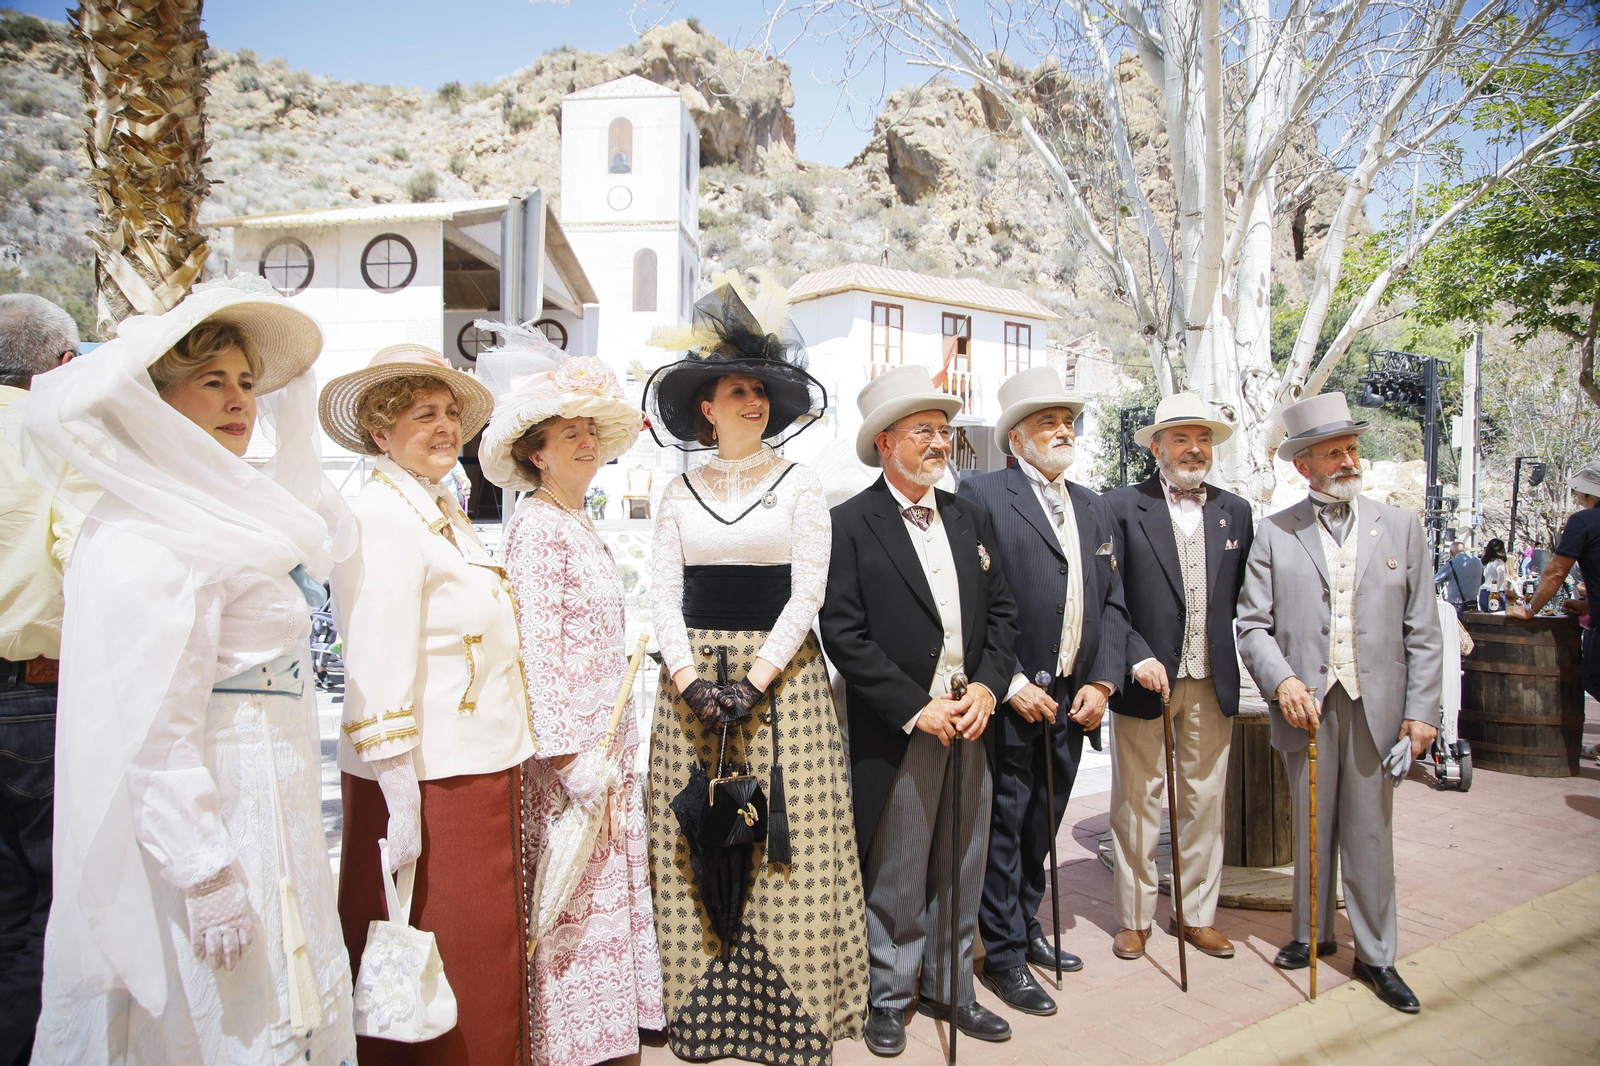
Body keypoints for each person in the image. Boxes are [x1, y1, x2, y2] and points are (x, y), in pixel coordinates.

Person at [21, 279, 357, 1063]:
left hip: (273, 796)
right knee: (221, 1017)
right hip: (220, 810)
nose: (239, 400)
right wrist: (204, 871)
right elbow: (148, 729)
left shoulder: (226, 511)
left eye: (246, 382)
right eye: (212, 382)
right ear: (156, 399)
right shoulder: (151, 528)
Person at [645, 279, 867, 1066]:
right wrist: (690, 680)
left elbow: (808, 589)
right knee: (699, 838)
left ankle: (795, 1020)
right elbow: (661, 591)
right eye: (736, 390)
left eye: (760, 391)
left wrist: (752, 681)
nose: (752, 402)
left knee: (785, 844)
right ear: (705, 406)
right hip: (690, 693)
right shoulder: (673, 488)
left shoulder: (800, 483)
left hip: (783, 690)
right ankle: (703, 1019)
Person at [320, 344, 533, 1064]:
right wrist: (398, 791)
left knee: (478, 951)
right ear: (381, 433)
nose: (446, 427)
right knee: (438, 955)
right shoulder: (381, 515)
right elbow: (374, 659)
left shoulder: (437, 507)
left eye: (450, 413)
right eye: (423, 415)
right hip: (424, 778)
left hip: (472, 764)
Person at [475, 325, 665, 1066]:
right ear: (536, 453)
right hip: (573, 760)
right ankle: (568, 1040)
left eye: (591, 430)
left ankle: (607, 1031)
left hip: (606, 744)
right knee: (569, 894)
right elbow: (536, 656)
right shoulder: (536, 530)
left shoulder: (578, 523)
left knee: (601, 889)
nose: (586, 442)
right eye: (568, 432)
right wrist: (568, 758)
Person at [821, 363, 1020, 1055]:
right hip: (901, 726)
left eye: (943, 431)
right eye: (924, 432)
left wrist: (991, 688)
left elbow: (1003, 615)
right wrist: (915, 707)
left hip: (972, 720)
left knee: (963, 859)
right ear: (885, 442)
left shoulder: (971, 516)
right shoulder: (848, 523)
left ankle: (952, 986)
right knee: (900, 867)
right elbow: (842, 633)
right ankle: (888, 994)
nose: (941, 443)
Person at [1237, 392, 1443, 1015]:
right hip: (1306, 705)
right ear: (1305, 465)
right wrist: (1283, 683)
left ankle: (1377, 955)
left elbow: (1423, 628)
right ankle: (1313, 932)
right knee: (1311, 822)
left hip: (1375, 704)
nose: (1350, 460)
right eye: (1335, 452)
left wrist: (1424, 710)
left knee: (1370, 832)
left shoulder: (1401, 526)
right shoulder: (1274, 532)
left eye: (1353, 448)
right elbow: (1251, 625)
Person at [953, 367, 1127, 1016]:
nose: (1063, 430)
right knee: (1005, 826)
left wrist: (1104, 681)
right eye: (1048, 421)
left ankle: (1026, 929)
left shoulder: (1092, 504)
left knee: (1042, 827)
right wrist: (1012, 681)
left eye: (1068, 420)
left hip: (1075, 702)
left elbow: (1114, 604)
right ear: (1016, 437)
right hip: (1014, 697)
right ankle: (999, 959)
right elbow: (971, 604)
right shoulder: (982, 494)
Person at [1103, 392, 1253, 964]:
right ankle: (1136, 917)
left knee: (1204, 801)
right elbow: (1110, 597)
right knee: (1137, 800)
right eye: (1182, 439)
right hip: (1146, 680)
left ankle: (1196, 916)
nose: (1195, 450)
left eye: (1204, 440)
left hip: (1212, 678)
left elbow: (1247, 599)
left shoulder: (1234, 511)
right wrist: (1135, 655)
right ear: (1157, 447)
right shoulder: (1120, 506)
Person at [0, 294, 79, 1065]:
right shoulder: (51, 437)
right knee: (44, 910)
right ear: (60, 367)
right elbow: (80, 551)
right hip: (34, 692)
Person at [1509, 461, 1600, 703]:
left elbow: (1556, 572)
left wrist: (1530, 609)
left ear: (1585, 492)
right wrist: (1588, 606)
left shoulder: (1584, 521)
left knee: (1594, 679)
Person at [1434, 541, 1483, 610]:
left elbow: (1435, 580)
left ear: (1451, 552)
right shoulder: (1478, 562)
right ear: (1464, 550)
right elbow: (1482, 580)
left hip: (1456, 603)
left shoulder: (1452, 564)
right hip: (1473, 603)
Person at [1479, 538, 1509, 611]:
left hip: (1483, 592)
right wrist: (1496, 590)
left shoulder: (1483, 563)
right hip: (1495, 592)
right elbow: (1501, 577)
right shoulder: (1499, 563)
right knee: (1498, 618)